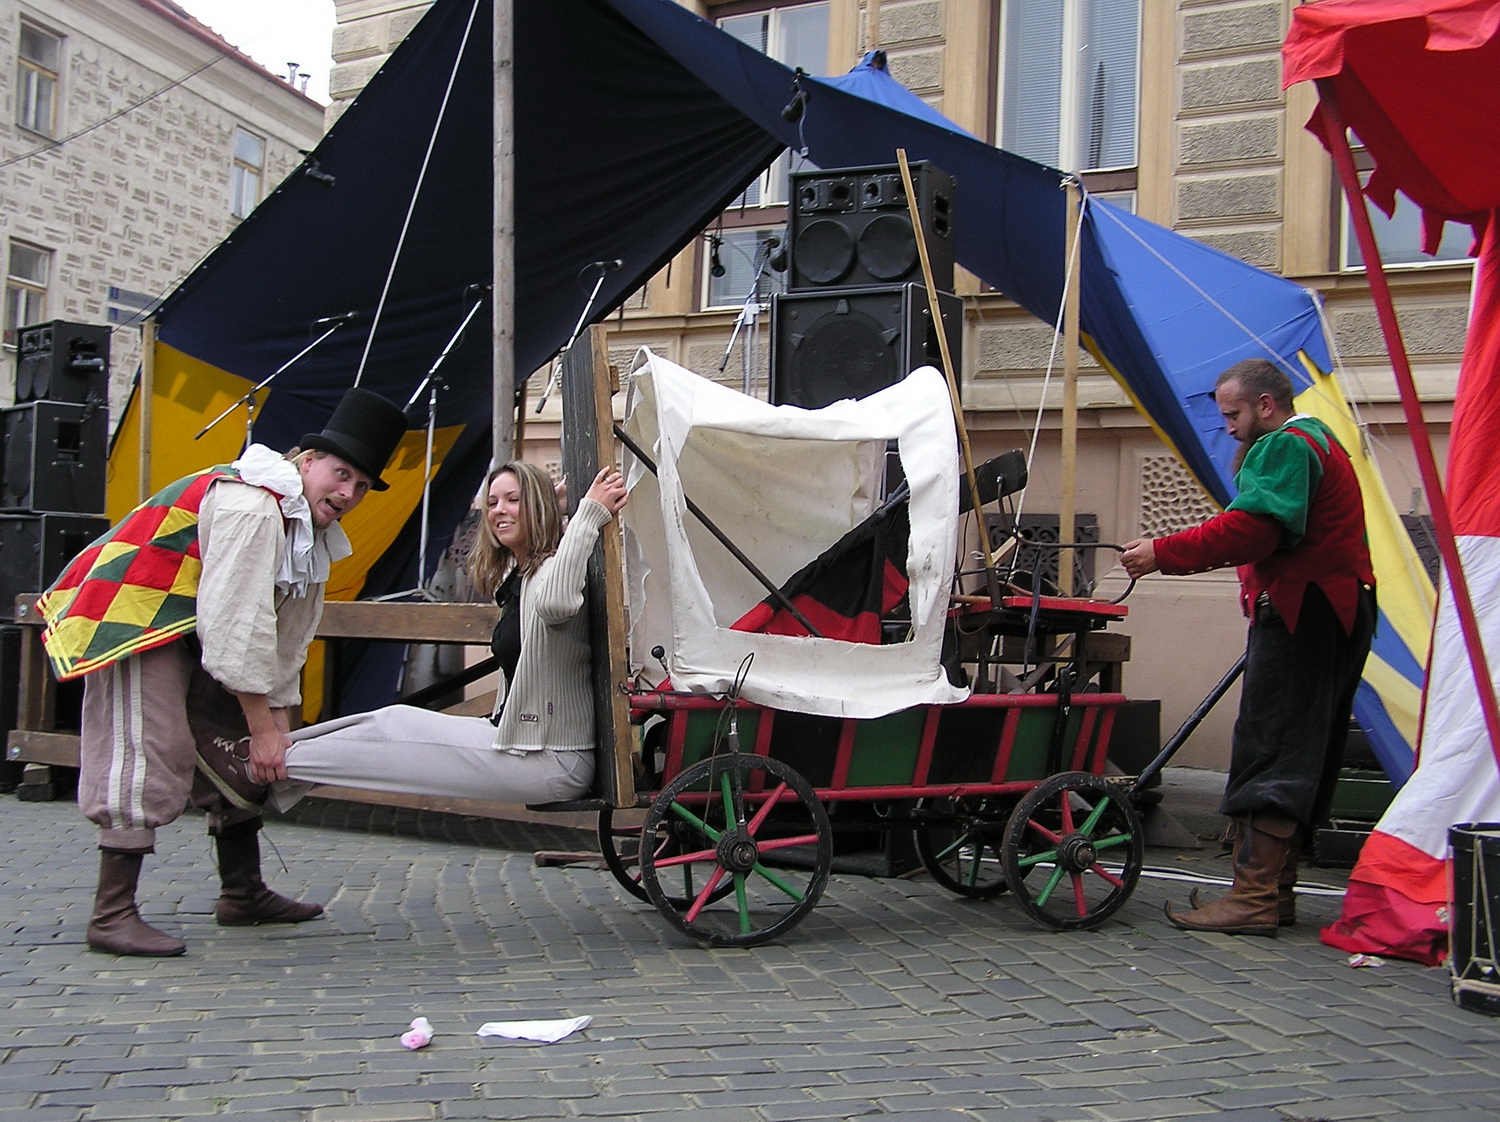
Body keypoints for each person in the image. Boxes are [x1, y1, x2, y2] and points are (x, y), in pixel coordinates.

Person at [37, 387, 408, 957]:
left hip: (194, 624)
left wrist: (274, 725)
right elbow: (237, 622)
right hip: (135, 612)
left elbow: (284, 638)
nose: (348, 493)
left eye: (360, 485)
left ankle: (242, 892)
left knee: (239, 745)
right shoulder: (252, 506)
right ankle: (111, 914)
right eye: (341, 475)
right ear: (308, 462)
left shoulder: (309, 534)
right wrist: (263, 727)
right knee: (149, 745)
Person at [1120, 358, 1375, 936]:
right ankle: (1273, 893)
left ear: (1265, 404)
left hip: (1306, 611)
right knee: (1300, 746)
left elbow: (1253, 529)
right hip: (1329, 610)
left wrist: (1164, 552)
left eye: (1234, 413)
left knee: (1273, 744)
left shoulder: (1285, 444)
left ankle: (1255, 897)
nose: (1228, 426)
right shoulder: (1317, 442)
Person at [262, 461, 628, 813]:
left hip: (554, 759)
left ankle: (262, 768)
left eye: (513, 499)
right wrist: (551, 503)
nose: (498, 510)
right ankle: (275, 756)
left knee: (394, 741)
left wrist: (586, 515)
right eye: (492, 502)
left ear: (537, 507)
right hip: (518, 740)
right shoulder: (520, 576)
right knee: (394, 721)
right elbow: (542, 568)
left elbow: (556, 602)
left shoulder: (549, 572)